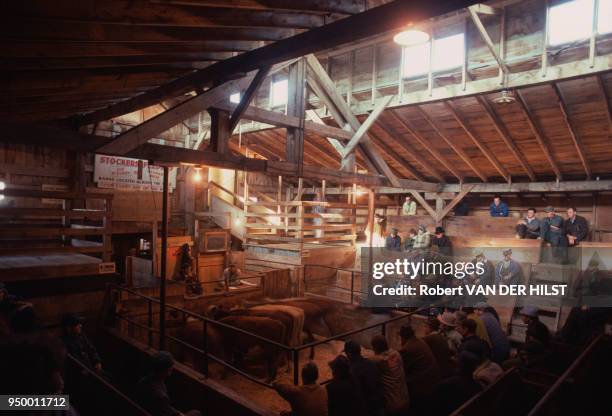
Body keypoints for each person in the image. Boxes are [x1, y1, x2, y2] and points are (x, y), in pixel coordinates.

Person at [137, 351, 201, 416]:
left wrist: (177, 412)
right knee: (196, 413)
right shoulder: (161, 396)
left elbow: (166, 409)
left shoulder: (143, 381)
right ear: (167, 370)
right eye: (170, 368)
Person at [398, 325, 440, 411]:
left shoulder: (407, 349)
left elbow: (402, 370)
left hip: (422, 384)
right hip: (432, 379)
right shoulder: (420, 341)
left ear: (402, 337)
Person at [370, 335, 409, 416]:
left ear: (375, 348)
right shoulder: (396, 353)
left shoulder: (378, 360)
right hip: (405, 399)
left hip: (392, 405)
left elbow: (370, 359)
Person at [344, 340, 386, 416]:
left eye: (346, 354)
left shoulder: (353, 370)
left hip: (369, 408)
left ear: (349, 354)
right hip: (380, 402)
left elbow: (358, 394)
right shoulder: (371, 363)